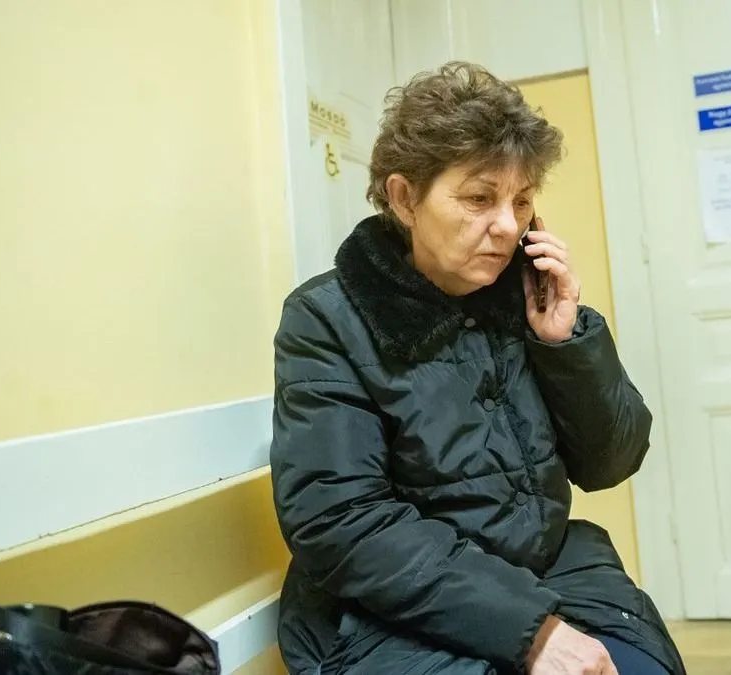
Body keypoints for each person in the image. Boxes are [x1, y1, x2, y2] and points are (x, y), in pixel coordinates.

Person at [269, 61, 685, 675]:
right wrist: (531, 631)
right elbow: (342, 522)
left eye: (522, 200)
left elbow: (611, 463)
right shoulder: (326, 319)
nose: (509, 226)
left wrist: (566, 344)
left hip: (554, 574)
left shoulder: (530, 299)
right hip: (389, 613)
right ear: (404, 199)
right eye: (479, 199)